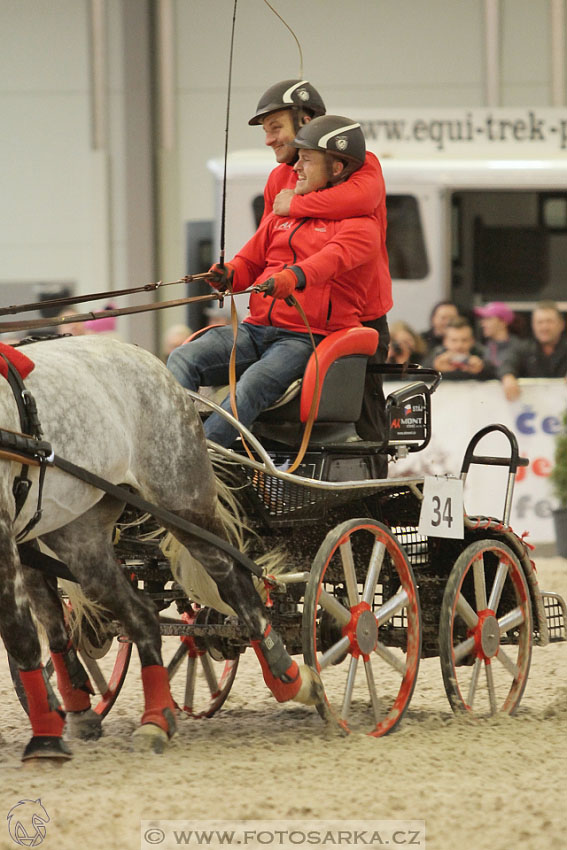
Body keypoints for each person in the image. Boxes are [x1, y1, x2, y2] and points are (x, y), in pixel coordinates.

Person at [168, 116, 380, 448]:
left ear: (337, 168)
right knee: (182, 358)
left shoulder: (361, 227)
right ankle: (174, 443)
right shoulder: (282, 215)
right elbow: (250, 261)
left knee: (250, 385)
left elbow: (328, 262)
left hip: (304, 338)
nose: (297, 168)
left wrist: (292, 277)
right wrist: (229, 274)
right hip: (256, 330)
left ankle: (203, 459)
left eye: (307, 160)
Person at [249, 79, 392, 448]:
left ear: (307, 119)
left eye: (276, 128)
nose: (270, 140)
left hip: (358, 319)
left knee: (364, 424)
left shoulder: (365, 166)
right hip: (296, 321)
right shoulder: (277, 178)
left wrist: (294, 204)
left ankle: (372, 492)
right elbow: (269, 243)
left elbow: (362, 199)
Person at [500, 301, 567, 401]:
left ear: (562, 324)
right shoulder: (523, 348)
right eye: (540, 322)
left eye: (549, 321)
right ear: (533, 325)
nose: (544, 327)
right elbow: (508, 362)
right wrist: (508, 376)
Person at [424, 316, 496, 381]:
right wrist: (434, 369)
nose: (459, 345)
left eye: (464, 340)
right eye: (454, 340)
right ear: (445, 341)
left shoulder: (482, 354)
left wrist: (482, 369)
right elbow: (416, 378)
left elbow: (499, 373)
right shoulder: (436, 355)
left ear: (472, 341)